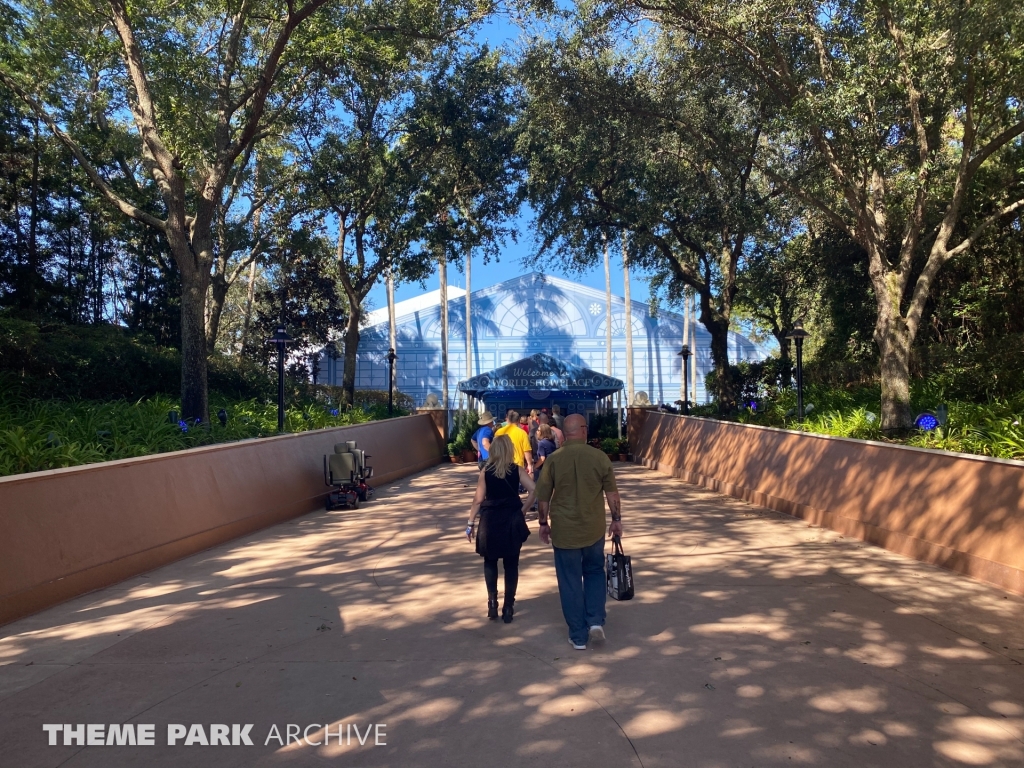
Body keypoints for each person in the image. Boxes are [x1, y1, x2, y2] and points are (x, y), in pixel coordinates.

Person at [535, 414, 622, 650]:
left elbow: (543, 498)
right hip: (593, 529)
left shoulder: (553, 460)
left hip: (565, 532)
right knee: (594, 572)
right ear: (583, 430)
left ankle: (578, 635)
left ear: (565, 433)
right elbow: (612, 494)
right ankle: (595, 621)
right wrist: (616, 520)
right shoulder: (599, 457)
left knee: (570, 580)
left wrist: (543, 524)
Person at [466, 435, 535, 623]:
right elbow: (534, 490)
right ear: (509, 450)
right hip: (512, 519)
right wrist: (523, 510)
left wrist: (470, 523)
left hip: (490, 520)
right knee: (511, 564)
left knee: (490, 561)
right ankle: (508, 607)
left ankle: (492, 602)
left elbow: (478, 500)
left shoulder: (486, 471)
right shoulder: (517, 470)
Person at [495, 410, 534, 475]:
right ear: (519, 420)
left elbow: (495, 449)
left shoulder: (498, 432)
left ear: (507, 419)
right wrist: (529, 464)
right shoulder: (522, 433)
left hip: (501, 464)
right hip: (517, 466)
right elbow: (527, 451)